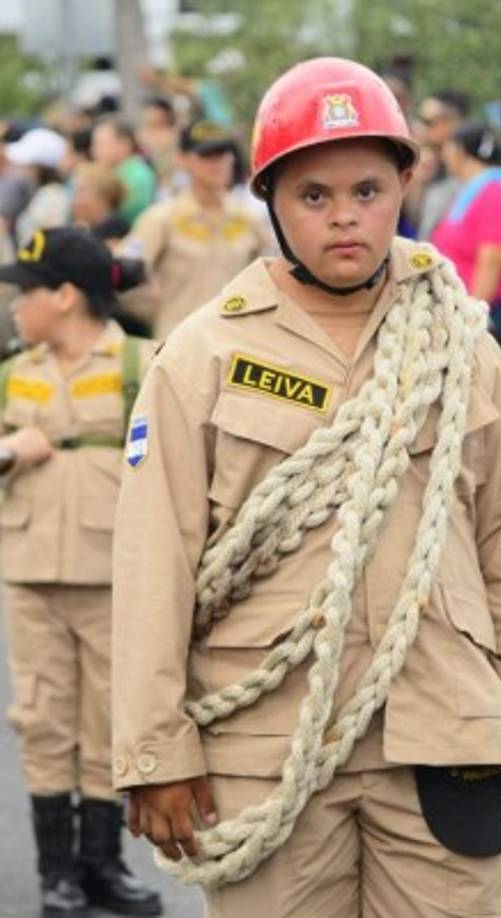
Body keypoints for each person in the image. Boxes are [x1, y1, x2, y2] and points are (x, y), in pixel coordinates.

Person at [112, 58, 501, 918]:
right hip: (268, 746)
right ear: (273, 203)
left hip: (444, 728)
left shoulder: (456, 342)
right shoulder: (203, 356)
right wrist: (156, 751)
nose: (344, 219)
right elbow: (154, 563)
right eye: (313, 196)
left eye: (366, 190)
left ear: (406, 182)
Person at [0, 227, 162, 917]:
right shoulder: (14, 371)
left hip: (112, 579)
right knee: (44, 721)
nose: (13, 305)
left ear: (63, 296)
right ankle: (56, 874)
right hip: (32, 576)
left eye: (24, 292)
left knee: (106, 722)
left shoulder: (141, 364)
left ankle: (102, 866)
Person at [117, 120, 272, 339]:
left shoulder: (248, 220)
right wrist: (158, 311)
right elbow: (122, 276)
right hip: (177, 344)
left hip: (235, 344)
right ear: (182, 159)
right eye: (206, 156)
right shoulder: (161, 218)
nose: (217, 164)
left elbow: (269, 279)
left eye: (223, 155)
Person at [431, 122, 501, 358]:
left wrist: (472, 317)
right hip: (462, 307)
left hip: (485, 311)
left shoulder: (495, 192)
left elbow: (492, 261)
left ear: (458, 151)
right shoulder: (472, 189)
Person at [417, 89, 469, 238]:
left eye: (429, 122)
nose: (422, 128)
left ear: (453, 121)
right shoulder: (427, 164)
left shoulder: (467, 171)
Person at [5, 127, 71, 246]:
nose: (22, 169)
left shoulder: (52, 196)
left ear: (39, 168)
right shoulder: (45, 193)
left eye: (28, 165)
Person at [91, 116, 157, 226]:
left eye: (100, 143)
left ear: (124, 144)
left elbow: (123, 216)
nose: (93, 149)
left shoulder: (138, 175)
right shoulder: (111, 172)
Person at [72, 161, 130, 244]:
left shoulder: (114, 228)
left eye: (81, 191)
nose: (75, 200)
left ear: (102, 197)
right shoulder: (90, 229)